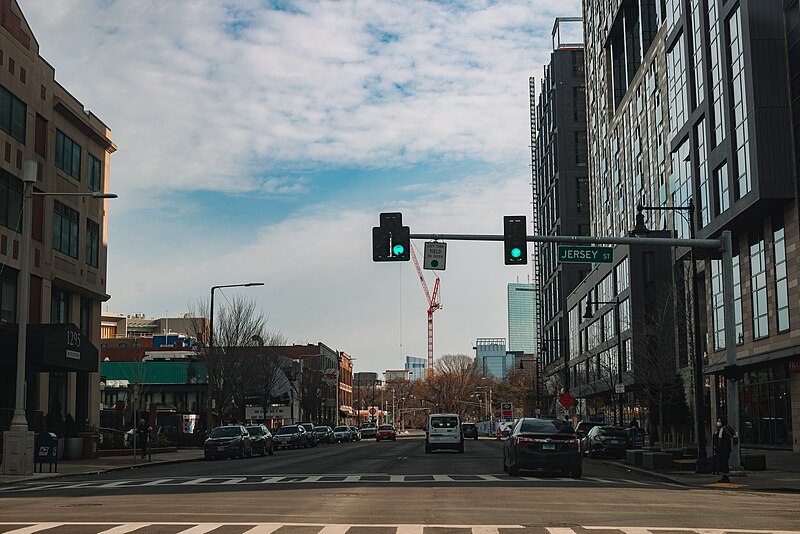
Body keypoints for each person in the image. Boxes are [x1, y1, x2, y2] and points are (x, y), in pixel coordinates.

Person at [716, 416, 737, 483]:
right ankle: (724, 476)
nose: (718, 422)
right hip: (722, 450)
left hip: (724, 450)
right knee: (723, 463)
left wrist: (722, 450)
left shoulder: (725, 430)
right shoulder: (721, 429)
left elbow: (725, 442)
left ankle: (726, 477)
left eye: (719, 421)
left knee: (724, 464)